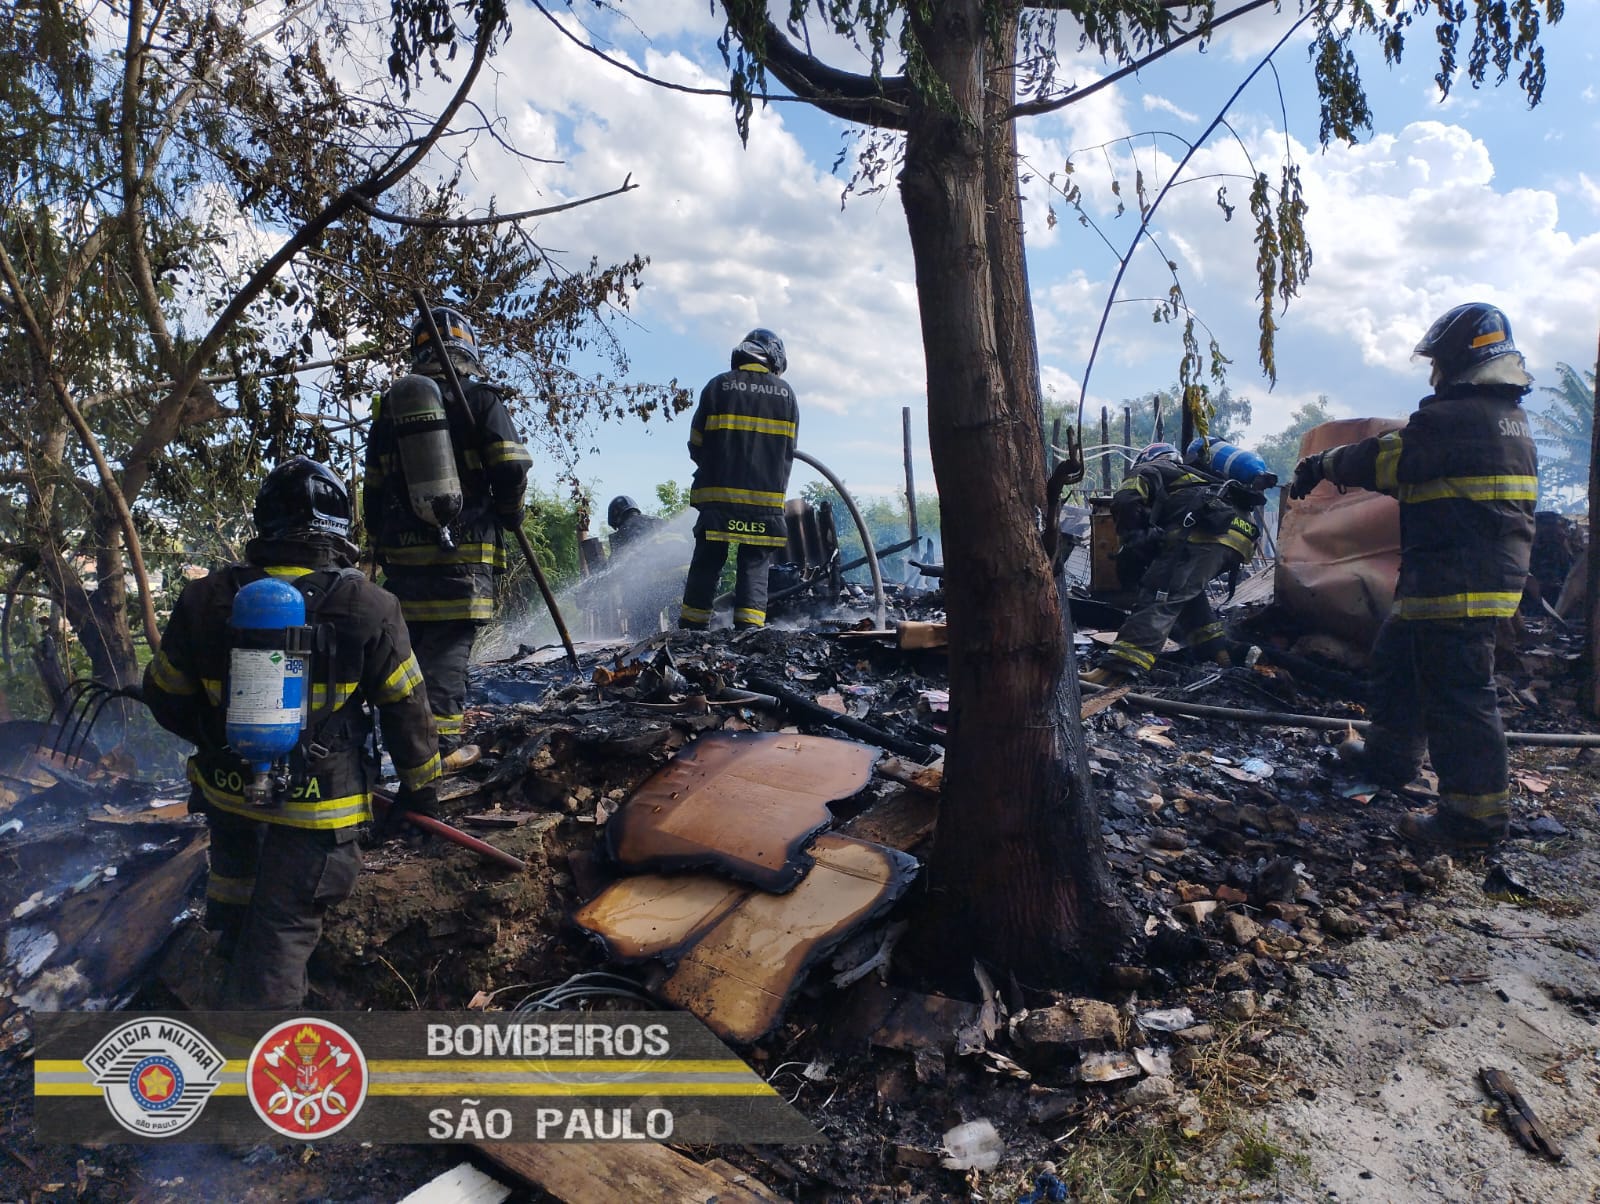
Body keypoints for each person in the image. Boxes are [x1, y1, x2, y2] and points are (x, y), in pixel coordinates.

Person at [143, 458, 441, 1008]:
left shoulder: (203, 599)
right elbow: (408, 709)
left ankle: (223, 998)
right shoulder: (371, 606)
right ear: (337, 529)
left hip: (229, 797)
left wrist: (222, 742)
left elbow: (163, 696)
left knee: (234, 904)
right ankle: (264, 1075)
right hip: (317, 812)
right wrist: (423, 790)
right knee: (281, 935)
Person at [1290, 301, 1537, 853]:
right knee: (1398, 658)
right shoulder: (1503, 418)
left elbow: (1385, 458)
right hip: (1451, 575)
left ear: (1457, 361)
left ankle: (1472, 824)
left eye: (1438, 363)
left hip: (1459, 583)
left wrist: (1321, 464)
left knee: (1460, 698)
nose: (1434, 374)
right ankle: (1389, 756)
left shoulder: (1455, 420)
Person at [364, 307, 531, 769]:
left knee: (410, 655)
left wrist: (380, 541)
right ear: (470, 348)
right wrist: (510, 512)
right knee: (448, 654)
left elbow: (373, 485)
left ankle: (401, 748)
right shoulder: (480, 398)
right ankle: (439, 754)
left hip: (403, 557)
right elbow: (512, 465)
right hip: (466, 553)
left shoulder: (392, 407)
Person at [1082, 442, 1262, 685]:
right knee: (1185, 593)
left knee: (1160, 593)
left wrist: (1133, 537)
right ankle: (1220, 653)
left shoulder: (1153, 467)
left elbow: (1125, 499)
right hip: (1239, 537)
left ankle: (1114, 671)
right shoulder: (1199, 477)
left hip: (1206, 532)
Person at [679, 328, 798, 630]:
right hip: (764, 503)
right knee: (755, 564)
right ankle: (749, 634)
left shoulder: (717, 386)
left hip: (717, 500)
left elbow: (696, 443)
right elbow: (788, 450)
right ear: (773, 358)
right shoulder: (786, 395)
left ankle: (691, 631)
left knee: (708, 559)